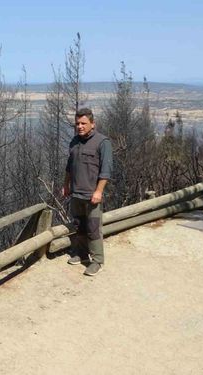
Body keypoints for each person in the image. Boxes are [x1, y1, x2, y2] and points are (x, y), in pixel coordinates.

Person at [62, 108, 113, 276]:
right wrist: (66, 185)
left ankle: (97, 260)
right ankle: (82, 254)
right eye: (77, 123)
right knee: (79, 225)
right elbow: (69, 167)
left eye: (83, 123)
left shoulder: (102, 142)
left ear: (93, 124)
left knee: (93, 228)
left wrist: (99, 191)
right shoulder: (74, 141)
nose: (80, 126)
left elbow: (106, 171)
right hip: (76, 193)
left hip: (92, 195)